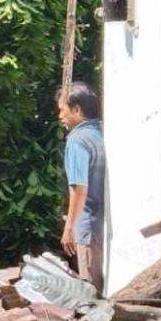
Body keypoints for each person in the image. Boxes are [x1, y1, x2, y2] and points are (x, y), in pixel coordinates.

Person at [57, 81, 106, 294]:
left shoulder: (77, 140)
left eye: (62, 109)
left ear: (76, 110)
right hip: (106, 225)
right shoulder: (102, 132)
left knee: (91, 291)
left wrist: (69, 227)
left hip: (88, 227)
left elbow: (79, 189)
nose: (60, 116)